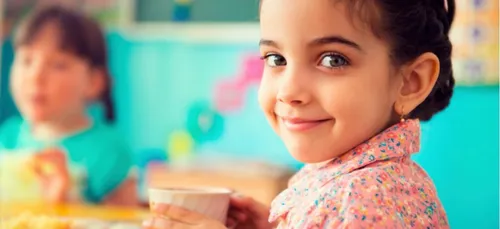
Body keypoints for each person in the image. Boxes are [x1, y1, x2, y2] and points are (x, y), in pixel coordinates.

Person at [143, 0, 455, 227]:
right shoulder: (354, 180)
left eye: (333, 60)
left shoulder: (362, 199)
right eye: (276, 58)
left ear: (410, 82)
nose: (289, 92)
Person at [0, 5, 136, 206]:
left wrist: (68, 199)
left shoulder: (110, 152)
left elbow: (125, 223)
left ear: (93, 82)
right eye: (27, 60)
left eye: (58, 65)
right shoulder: (7, 136)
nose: (35, 77)